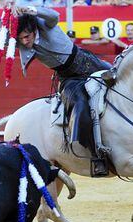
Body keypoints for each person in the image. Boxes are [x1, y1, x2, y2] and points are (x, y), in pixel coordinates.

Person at [14, 5, 115, 176]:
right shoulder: (21, 43)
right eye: (20, 38)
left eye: (27, 36)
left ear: (33, 29)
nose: (24, 41)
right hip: (68, 78)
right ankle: (95, 155)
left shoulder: (45, 25)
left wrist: (33, 9)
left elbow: (54, 15)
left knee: (121, 80)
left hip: (86, 62)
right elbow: (3, 33)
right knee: (81, 107)